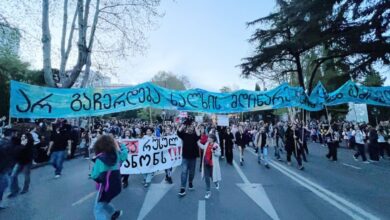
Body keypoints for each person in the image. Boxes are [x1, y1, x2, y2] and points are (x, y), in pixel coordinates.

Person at [91, 135, 128, 220]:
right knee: (104, 202)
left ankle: (114, 213)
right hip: (117, 185)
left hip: (106, 187)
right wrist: (121, 146)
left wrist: (93, 169)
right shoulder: (117, 155)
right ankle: (115, 213)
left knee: (97, 208)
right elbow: (125, 155)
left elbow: (94, 175)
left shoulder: (99, 159)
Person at [8, 133, 34, 198]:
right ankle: (15, 190)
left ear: (27, 138)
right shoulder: (20, 142)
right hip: (19, 162)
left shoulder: (29, 144)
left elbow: (27, 154)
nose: (22, 137)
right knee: (13, 175)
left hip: (27, 162)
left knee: (26, 175)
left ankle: (25, 189)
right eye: (22, 136)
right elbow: (14, 142)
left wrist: (23, 146)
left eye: (24, 136)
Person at [177, 123, 200, 197]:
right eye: (188, 127)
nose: (190, 128)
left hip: (193, 157)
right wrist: (183, 125)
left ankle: (190, 182)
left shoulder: (195, 135)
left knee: (192, 172)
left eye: (191, 127)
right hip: (185, 157)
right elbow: (178, 132)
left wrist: (196, 127)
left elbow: (199, 135)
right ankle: (182, 188)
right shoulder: (184, 135)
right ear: (186, 128)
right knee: (184, 172)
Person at [197, 134, 221, 199]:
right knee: (207, 178)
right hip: (206, 163)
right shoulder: (207, 144)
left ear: (213, 139)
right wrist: (198, 143)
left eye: (210, 138)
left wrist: (214, 152)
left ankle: (216, 183)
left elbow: (219, 154)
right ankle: (208, 192)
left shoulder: (216, 145)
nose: (208, 138)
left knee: (213, 177)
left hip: (212, 164)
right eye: (208, 137)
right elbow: (203, 147)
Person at [0, 129, 17, 209]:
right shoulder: (7, 144)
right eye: (15, 134)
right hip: (2, 168)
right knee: (4, 184)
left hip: (5, 167)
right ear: (12, 134)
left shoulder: (3, 142)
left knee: (5, 183)